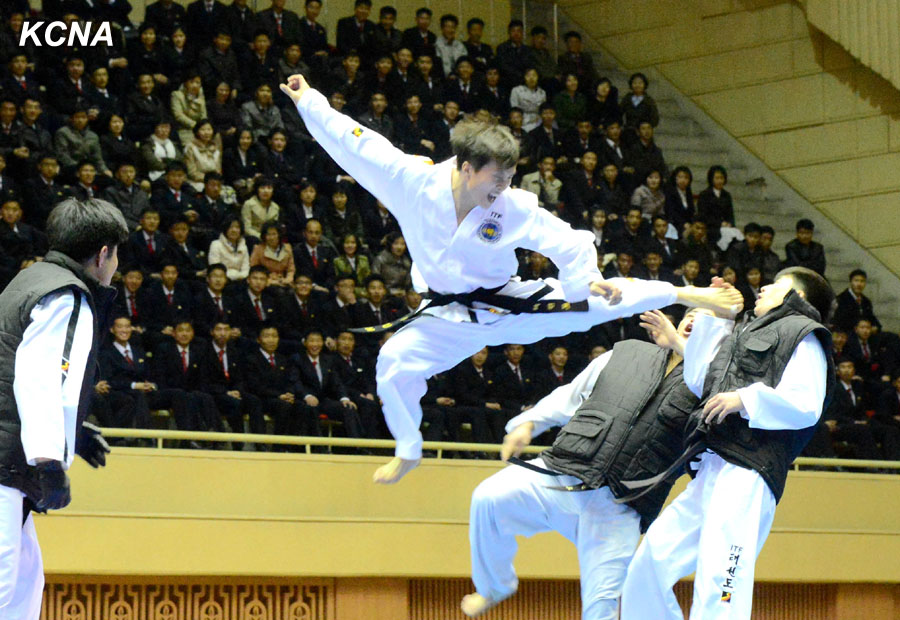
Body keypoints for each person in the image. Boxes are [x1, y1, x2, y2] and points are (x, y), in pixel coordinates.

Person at [279, 73, 743, 484]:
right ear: (465, 167)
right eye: (496, 179)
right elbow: (357, 144)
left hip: (506, 303)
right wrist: (309, 101)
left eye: (509, 177)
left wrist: (586, 278)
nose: (503, 187)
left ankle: (689, 291)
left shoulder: (512, 206)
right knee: (393, 366)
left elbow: (566, 239)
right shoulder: (412, 182)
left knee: (594, 304)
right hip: (442, 313)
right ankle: (408, 449)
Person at [462, 309, 707, 618]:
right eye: (693, 312)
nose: (696, 319)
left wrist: (686, 349)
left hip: (619, 506)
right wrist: (528, 424)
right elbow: (570, 394)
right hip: (565, 475)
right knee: (489, 497)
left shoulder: (711, 385)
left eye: (709, 319)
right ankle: (494, 586)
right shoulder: (625, 353)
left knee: (601, 607)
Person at [621, 268, 835, 620]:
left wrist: (744, 400)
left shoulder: (805, 334)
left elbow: (806, 403)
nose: (764, 286)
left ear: (798, 298)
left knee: (721, 575)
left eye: (777, 283)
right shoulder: (743, 332)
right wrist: (718, 317)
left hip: (749, 470)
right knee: (650, 563)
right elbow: (700, 379)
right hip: (712, 466)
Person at [0, 198, 127, 617]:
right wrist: (50, 461)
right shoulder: (67, 296)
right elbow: (38, 378)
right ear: (103, 253)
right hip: (7, 468)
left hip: (9, 463)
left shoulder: (29, 279)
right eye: (116, 253)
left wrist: (72, 429)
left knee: (24, 587)